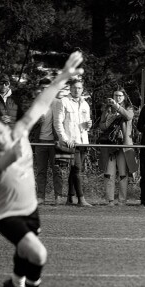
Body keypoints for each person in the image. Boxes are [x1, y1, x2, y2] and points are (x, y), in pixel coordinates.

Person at [0, 51, 85, 287]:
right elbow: (8, 159)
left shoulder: (19, 132)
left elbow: (42, 103)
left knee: (24, 251)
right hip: (4, 214)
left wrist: (63, 76)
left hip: (29, 208)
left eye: (1, 130)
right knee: (38, 253)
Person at [54, 79, 92, 207]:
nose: (77, 90)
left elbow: (86, 125)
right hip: (71, 143)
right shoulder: (63, 102)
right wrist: (65, 140)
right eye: (75, 88)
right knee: (77, 169)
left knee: (74, 170)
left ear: (82, 89)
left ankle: (70, 198)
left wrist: (88, 125)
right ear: (70, 89)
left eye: (79, 88)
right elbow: (58, 123)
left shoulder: (85, 104)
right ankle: (81, 199)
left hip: (83, 142)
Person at [97, 88, 135, 205]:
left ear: (124, 97)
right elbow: (102, 126)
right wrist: (108, 120)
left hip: (123, 145)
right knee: (109, 173)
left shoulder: (129, 108)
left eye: (120, 96)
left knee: (123, 174)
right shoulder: (107, 108)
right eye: (115, 95)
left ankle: (122, 200)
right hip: (109, 145)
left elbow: (128, 116)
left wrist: (117, 107)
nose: (117, 98)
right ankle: (110, 200)